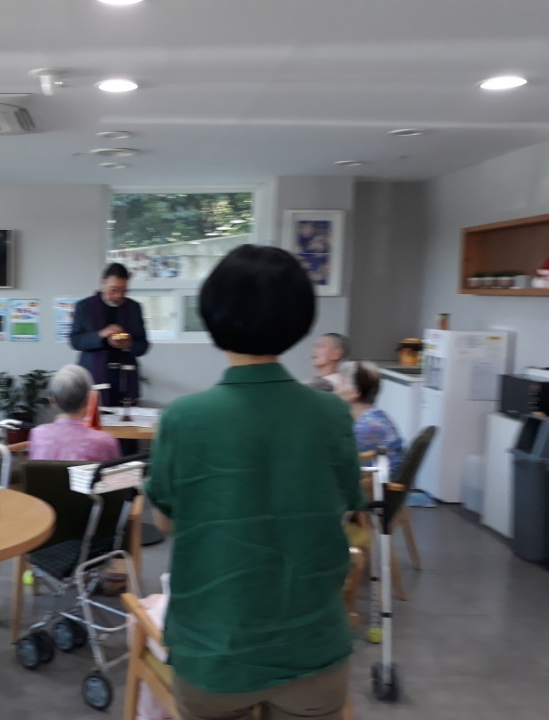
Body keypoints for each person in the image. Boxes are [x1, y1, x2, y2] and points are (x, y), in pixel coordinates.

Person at [144, 244, 363, 720]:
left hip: (213, 651)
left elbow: (164, 522)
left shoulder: (183, 418)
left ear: (213, 315)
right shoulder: (332, 414)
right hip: (312, 645)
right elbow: (346, 507)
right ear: (299, 319)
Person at [70, 263, 149, 407]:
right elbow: (75, 341)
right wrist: (101, 334)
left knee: (125, 419)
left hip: (124, 379)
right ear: (103, 284)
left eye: (124, 290)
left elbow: (143, 345)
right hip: (93, 375)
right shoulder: (85, 307)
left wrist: (128, 344)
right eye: (114, 290)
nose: (119, 295)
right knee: (93, 419)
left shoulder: (134, 308)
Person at [29, 364, 121, 462]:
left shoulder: (38, 434)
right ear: (89, 399)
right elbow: (116, 471)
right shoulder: (105, 441)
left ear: (53, 401)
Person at [339, 361, 405, 477]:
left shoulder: (367, 428)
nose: (336, 389)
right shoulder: (375, 416)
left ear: (355, 392)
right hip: (377, 480)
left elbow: (341, 464)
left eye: (341, 383)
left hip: (375, 484)